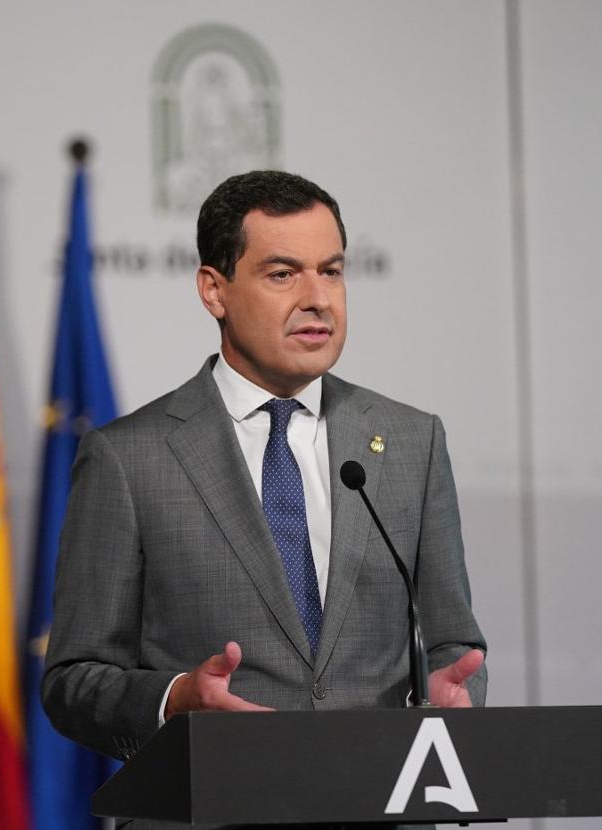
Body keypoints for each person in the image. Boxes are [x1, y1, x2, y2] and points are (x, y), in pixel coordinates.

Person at [42, 171, 486, 771]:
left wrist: (446, 697)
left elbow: (451, 641)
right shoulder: (129, 458)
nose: (318, 299)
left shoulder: (411, 442)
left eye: (331, 271)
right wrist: (174, 700)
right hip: (213, 805)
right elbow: (74, 680)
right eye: (283, 274)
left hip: (381, 801)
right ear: (213, 290)